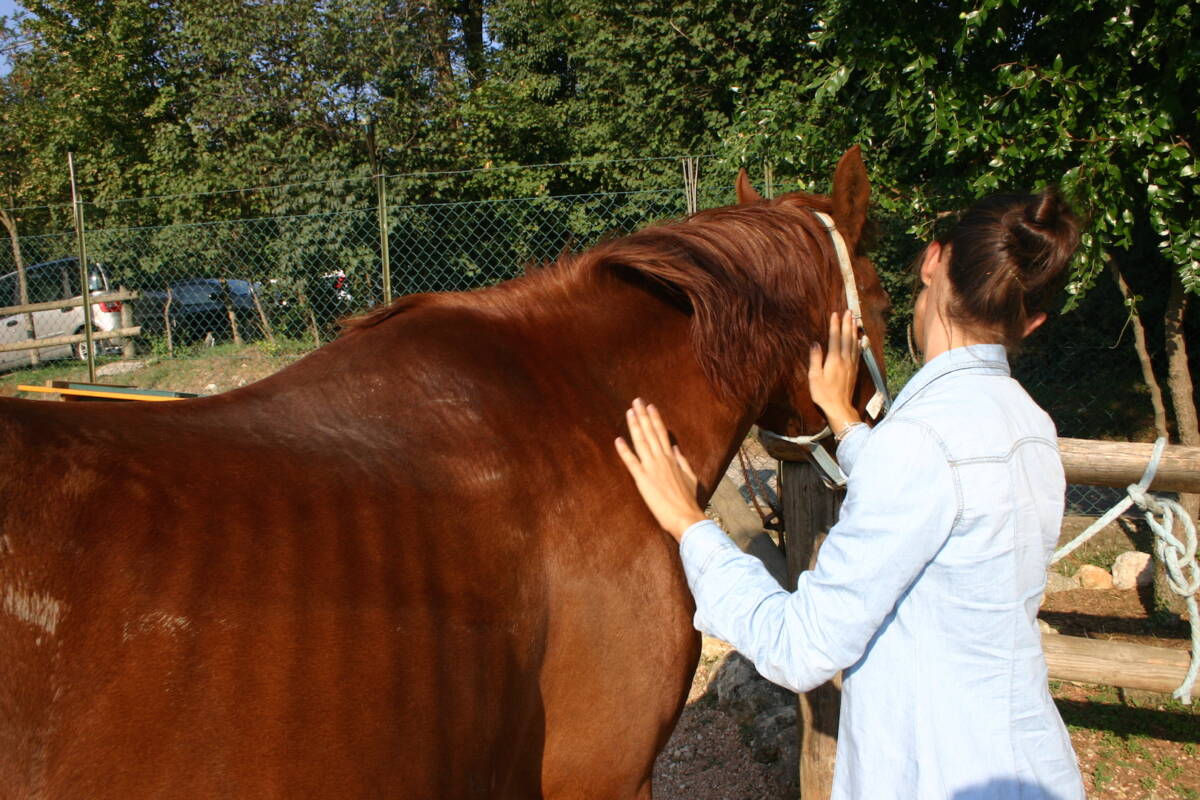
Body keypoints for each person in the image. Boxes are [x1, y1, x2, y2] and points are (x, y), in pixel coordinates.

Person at [615, 190, 1086, 799]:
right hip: (1032, 766)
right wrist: (845, 423)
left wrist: (689, 524)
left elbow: (801, 645)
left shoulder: (919, 444)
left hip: (935, 776)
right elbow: (937, 500)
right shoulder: (1030, 426)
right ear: (1032, 321)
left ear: (933, 261)